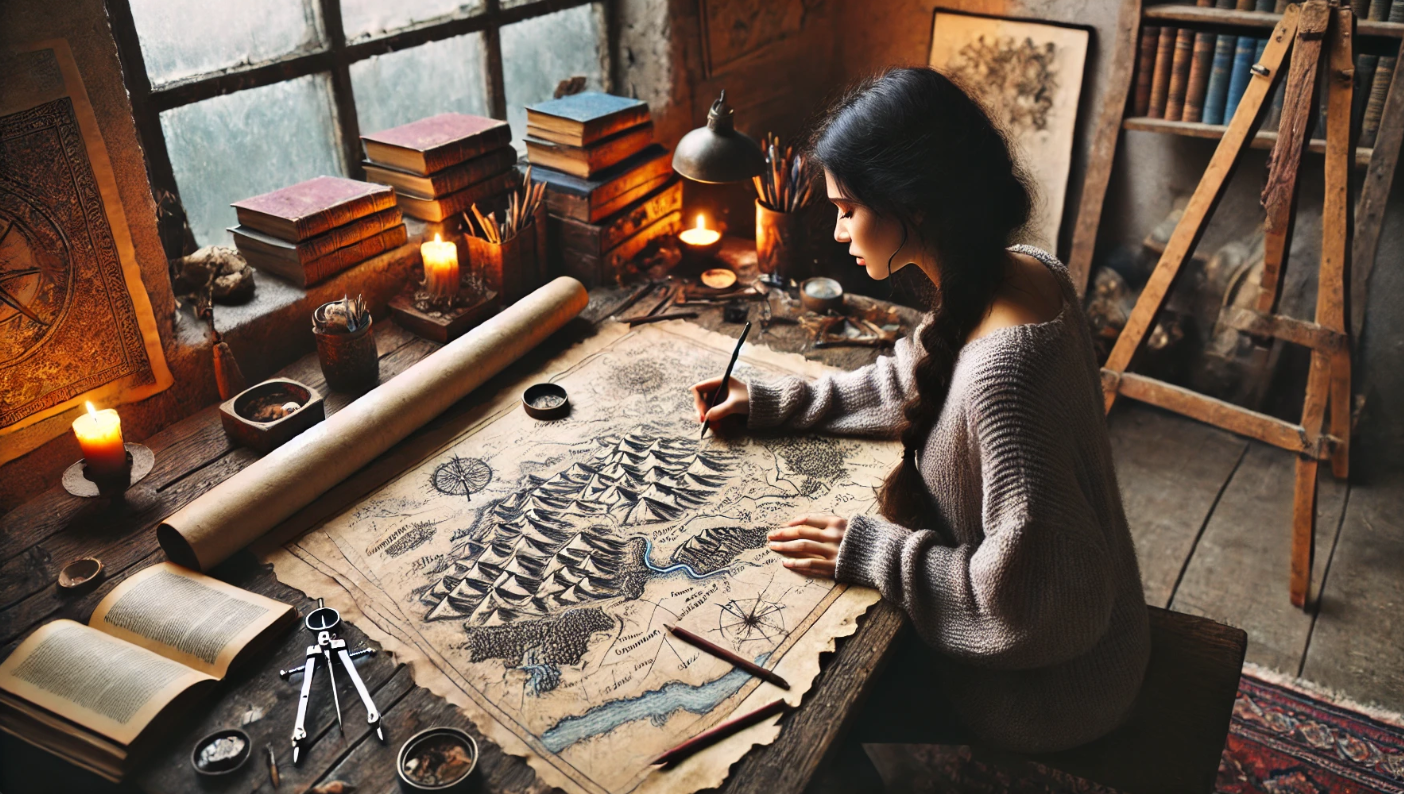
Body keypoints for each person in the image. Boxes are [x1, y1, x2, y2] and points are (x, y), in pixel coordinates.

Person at [690, 67, 1151, 782]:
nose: (839, 230)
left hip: (1051, 688)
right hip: (1094, 632)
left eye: (846, 208)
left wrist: (880, 552)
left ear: (913, 206)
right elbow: (923, 377)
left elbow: (1038, 606)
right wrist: (775, 402)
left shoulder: (1004, 376)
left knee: (796, 716)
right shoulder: (1027, 271)